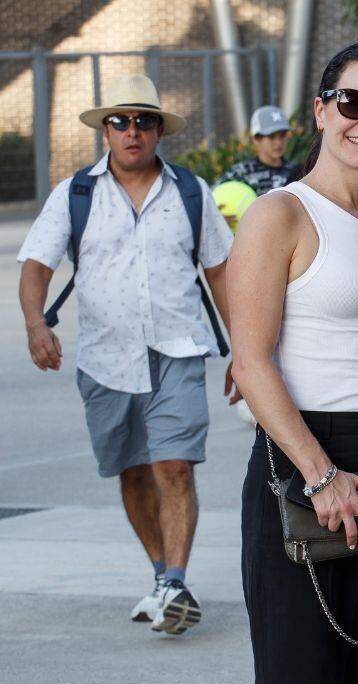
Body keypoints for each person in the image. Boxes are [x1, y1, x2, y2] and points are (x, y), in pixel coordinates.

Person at [228, 41, 358, 684]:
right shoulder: (279, 214)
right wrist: (321, 475)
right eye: (354, 102)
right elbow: (250, 363)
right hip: (308, 459)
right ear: (321, 108)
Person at [16, 73, 235, 635]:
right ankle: (162, 576)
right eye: (120, 121)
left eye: (143, 121)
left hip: (177, 349)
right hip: (105, 359)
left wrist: (246, 353)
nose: (131, 131)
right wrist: (36, 324)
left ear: (160, 130)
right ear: (105, 131)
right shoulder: (75, 194)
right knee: (134, 472)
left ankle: (178, 582)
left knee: (174, 466)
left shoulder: (191, 192)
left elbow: (221, 273)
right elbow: (37, 265)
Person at [219, 105, 299, 196]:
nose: (278, 142)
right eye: (271, 136)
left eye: (282, 135)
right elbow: (218, 197)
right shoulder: (240, 173)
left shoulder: (298, 172)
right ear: (256, 139)